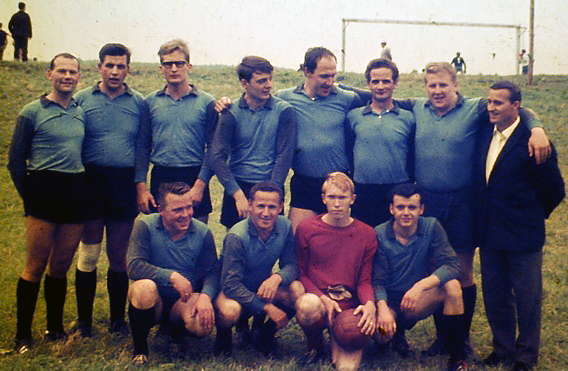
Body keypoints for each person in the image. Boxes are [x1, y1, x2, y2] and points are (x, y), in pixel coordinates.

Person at [474, 81, 564, 371]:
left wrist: (532, 216)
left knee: (527, 297)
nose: (491, 107)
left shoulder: (533, 140)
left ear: (516, 107)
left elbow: (554, 189)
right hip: (490, 231)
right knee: (495, 294)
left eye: (498, 103)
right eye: (489, 102)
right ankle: (502, 348)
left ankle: (525, 355)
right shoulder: (484, 133)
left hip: (523, 233)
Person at [8, 53, 85, 354]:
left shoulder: (81, 111)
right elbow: (15, 161)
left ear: (79, 76)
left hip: (75, 189)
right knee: (35, 265)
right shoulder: (32, 111)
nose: (67, 76)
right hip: (43, 190)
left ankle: (55, 328)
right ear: (49, 74)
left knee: (61, 265)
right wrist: (31, 197)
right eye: (62, 71)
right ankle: (23, 335)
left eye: (73, 72)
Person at [73, 43, 148, 337]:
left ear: (128, 69)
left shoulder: (139, 103)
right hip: (90, 181)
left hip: (123, 182)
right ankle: (84, 322)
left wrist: (140, 183)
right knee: (89, 254)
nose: (115, 71)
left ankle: (118, 320)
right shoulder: (81, 100)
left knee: (119, 256)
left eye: (121, 66)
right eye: (109, 65)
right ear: (99, 67)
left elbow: (143, 148)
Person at [373, 183, 468, 371]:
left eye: (412, 207)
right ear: (391, 209)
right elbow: (377, 280)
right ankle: (392, 337)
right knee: (381, 335)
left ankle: (457, 357)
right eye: (400, 207)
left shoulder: (431, 226)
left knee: (453, 286)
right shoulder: (380, 233)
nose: (406, 213)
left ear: (421, 209)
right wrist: (382, 308)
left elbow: (453, 265)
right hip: (391, 299)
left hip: (417, 298)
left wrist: (421, 286)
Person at [127, 182, 221, 365]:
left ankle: (176, 334)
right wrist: (171, 276)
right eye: (178, 210)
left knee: (202, 326)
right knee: (143, 288)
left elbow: (213, 272)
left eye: (189, 208)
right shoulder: (144, 225)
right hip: (154, 301)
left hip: (183, 300)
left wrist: (205, 297)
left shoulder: (202, 232)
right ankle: (140, 347)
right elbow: (134, 266)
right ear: (161, 209)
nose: (185, 215)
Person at [295, 172, 377, 370]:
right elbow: (301, 272)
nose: (337, 203)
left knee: (346, 368)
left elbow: (365, 279)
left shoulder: (367, 233)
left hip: (349, 307)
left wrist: (369, 304)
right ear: (323, 199)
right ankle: (315, 345)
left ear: (352, 199)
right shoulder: (307, 228)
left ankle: (342, 339)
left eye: (342, 197)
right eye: (332, 197)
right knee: (307, 305)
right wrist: (322, 298)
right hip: (321, 301)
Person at [275, 47, 362, 231]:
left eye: (333, 76)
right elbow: (259, 102)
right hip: (304, 182)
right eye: (324, 76)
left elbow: (379, 97)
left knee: (336, 244)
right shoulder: (285, 97)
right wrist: (224, 102)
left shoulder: (347, 98)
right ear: (307, 71)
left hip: (338, 183)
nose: (329, 82)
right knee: (298, 241)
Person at [214, 181, 304, 357]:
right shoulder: (237, 236)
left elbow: (292, 265)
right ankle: (223, 338)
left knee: (297, 290)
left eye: (272, 207)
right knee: (229, 311)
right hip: (232, 289)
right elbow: (230, 284)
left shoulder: (284, 226)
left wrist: (277, 278)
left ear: (281, 207)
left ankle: (264, 334)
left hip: (261, 285)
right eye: (260, 206)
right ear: (250, 205)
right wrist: (267, 308)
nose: (266, 213)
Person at [135, 39, 217, 222]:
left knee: (196, 234)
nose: (173, 68)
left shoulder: (206, 103)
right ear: (161, 68)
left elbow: (213, 149)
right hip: (161, 175)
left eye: (179, 63)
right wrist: (141, 188)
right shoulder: (150, 102)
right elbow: (142, 147)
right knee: (161, 236)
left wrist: (200, 185)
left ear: (189, 66)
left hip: (193, 175)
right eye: (168, 64)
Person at [209, 56, 296, 229]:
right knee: (235, 242)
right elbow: (217, 157)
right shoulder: (230, 112)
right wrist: (237, 194)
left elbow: (284, 156)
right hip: (239, 187)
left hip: (270, 185)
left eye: (270, 79)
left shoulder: (284, 111)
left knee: (268, 244)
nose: (269, 85)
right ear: (244, 83)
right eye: (261, 81)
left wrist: (272, 193)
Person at [348, 58, 415, 227]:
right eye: (375, 81)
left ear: (395, 83)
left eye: (386, 81)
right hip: (363, 190)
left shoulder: (408, 118)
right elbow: (349, 150)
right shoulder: (354, 116)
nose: (380, 86)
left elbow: (412, 154)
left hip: (396, 191)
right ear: (368, 84)